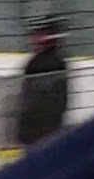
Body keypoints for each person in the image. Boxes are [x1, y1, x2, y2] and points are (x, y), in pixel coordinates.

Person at [14, 14, 71, 149]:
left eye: (38, 34)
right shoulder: (53, 60)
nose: (33, 39)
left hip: (41, 132)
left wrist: (24, 129)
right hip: (44, 130)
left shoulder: (46, 62)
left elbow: (35, 101)